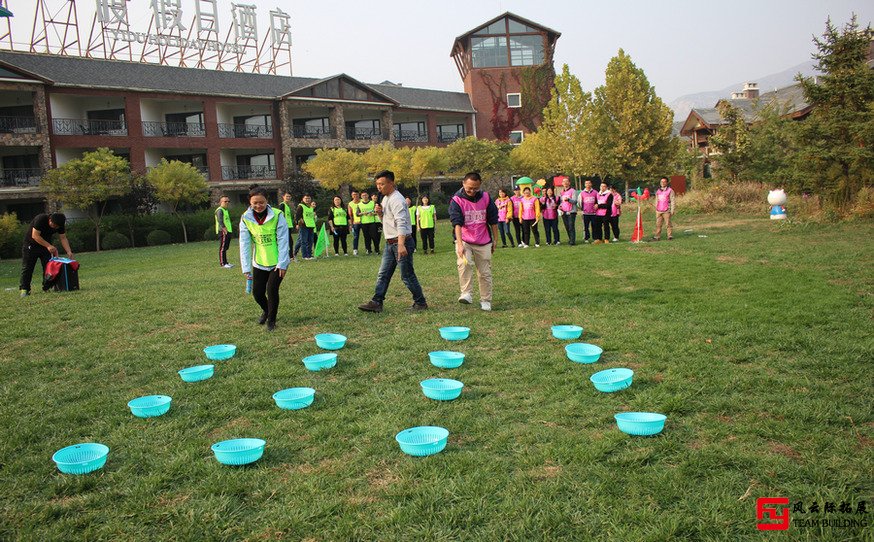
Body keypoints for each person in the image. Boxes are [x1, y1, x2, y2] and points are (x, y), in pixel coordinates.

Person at [358, 170, 427, 313]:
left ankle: (420, 302)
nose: (379, 187)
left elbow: (401, 223)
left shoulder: (397, 200)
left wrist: (401, 245)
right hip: (390, 243)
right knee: (383, 274)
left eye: (382, 184)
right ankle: (377, 302)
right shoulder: (386, 198)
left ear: (391, 183)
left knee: (407, 275)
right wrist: (379, 214)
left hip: (401, 242)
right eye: (377, 184)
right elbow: (387, 223)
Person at [239, 186, 290, 331]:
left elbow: (283, 240)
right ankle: (266, 311)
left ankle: (271, 321)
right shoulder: (245, 218)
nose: (258, 205)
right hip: (259, 261)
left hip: (277, 262)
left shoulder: (277, 215)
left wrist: (282, 264)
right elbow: (244, 243)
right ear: (250, 202)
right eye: (255, 202)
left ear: (267, 201)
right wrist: (246, 267)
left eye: (261, 202)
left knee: (272, 289)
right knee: (257, 293)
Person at [449, 172, 499, 311]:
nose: (472, 191)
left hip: (484, 240)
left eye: (475, 188)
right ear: (463, 183)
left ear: (480, 185)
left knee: (484, 272)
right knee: (464, 264)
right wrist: (459, 245)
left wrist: (495, 240)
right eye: (469, 188)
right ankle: (466, 293)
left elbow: (493, 220)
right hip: (465, 239)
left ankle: (486, 300)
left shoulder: (486, 197)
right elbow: (457, 224)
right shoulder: (456, 200)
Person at [19, 212, 73, 297]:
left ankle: (47, 287)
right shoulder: (41, 219)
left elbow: (63, 237)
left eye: (57, 227)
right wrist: (49, 246)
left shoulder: (59, 224)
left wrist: (69, 251)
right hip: (31, 245)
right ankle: (24, 289)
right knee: (28, 268)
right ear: (50, 220)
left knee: (48, 267)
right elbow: (35, 235)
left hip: (45, 247)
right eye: (54, 225)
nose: (55, 227)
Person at [293, 195, 316, 260]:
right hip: (304, 226)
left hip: (311, 225)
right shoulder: (301, 206)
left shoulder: (310, 207)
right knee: (304, 241)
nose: (307, 200)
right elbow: (297, 215)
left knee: (310, 241)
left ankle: (309, 255)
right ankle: (304, 256)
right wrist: (299, 222)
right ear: (303, 199)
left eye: (309, 198)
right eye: (306, 198)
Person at [215, 195, 234, 268]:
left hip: (228, 231)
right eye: (225, 201)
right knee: (222, 247)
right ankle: (223, 263)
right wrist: (224, 228)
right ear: (220, 202)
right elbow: (220, 220)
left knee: (225, 247)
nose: (227, 203)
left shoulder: (225, 210)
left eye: (228, 201)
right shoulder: (220, 210)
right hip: (223, 231)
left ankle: (226, 262)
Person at [557, 176, 578, 245]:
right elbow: (561, 201)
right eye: (564, 182)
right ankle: (570, 239)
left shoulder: (573, 191)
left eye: (566, 181)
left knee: (571, 226)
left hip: (571, 211)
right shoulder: (562, 192)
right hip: (564, 211)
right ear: (562, 183)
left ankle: (572, 241)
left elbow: (575, 201)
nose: (565, 183)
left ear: (569, 183)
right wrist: (560, 206)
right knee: (567, 227)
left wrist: (568, 199)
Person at [277, 191, 295, 260]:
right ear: (283, 197)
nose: (288, 198)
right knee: (288, 241)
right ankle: (290, 256)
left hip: (289, 226)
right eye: (287, 196)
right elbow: (280, 215)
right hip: (285, 226)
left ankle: (290, 255)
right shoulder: (282, 205)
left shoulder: (287, 206)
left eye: (289, 196)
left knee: (290, 241)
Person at [348, 190, 362, 256]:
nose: (355, 196)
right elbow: (350, 215)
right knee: (356, 236)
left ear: (359, 195)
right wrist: (351, 224)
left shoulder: (362, 201)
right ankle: (355, 250)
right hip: (356, 222)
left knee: (368, 236)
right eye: (353, 194)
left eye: (356, 194)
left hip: (364, 221)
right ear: (352, 196)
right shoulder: (350, 204)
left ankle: (369, 249)